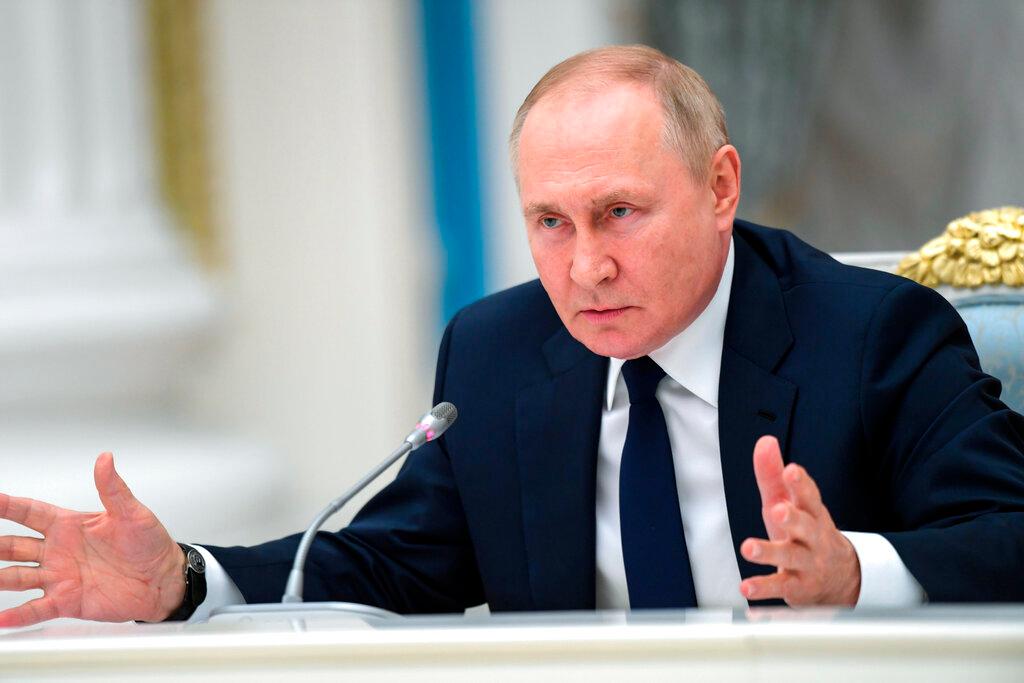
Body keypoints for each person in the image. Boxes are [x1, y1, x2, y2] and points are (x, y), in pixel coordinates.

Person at [1, 45, 1022, 628]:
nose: (584, 267)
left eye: (620, 212)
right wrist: (182, 577)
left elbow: (1007, 531)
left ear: (719, 187)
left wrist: (855, 571)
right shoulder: (497, 352)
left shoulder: (873, 333)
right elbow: (391, 563)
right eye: (550, 222)